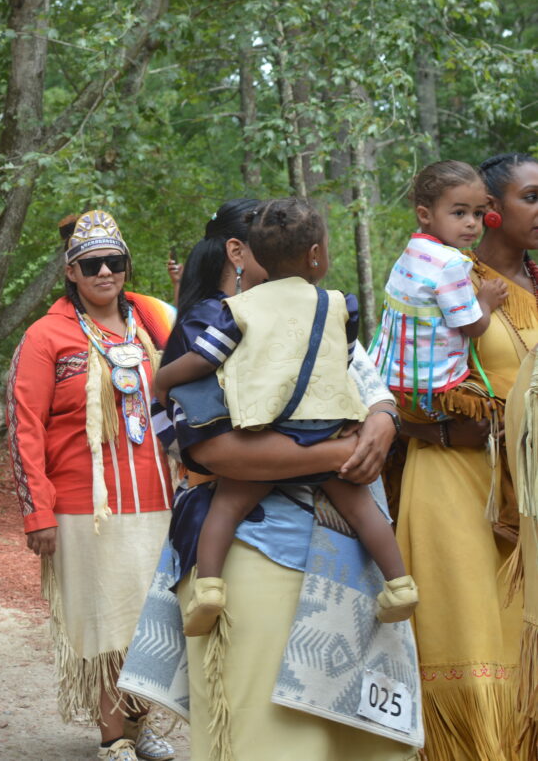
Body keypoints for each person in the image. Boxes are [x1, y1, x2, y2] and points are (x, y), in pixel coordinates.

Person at [119, 199, 417, 761]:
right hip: (255, 550)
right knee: (267, 730)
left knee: (348, 734)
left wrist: (382, 419)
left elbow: (371, 385)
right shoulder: (204, 331)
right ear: (239, 253)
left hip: (343, 558)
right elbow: (215, 454)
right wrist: (340, 449)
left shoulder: (319, 318)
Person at [152, 197, 416, 635]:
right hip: (328, 430)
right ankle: (401, 584)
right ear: (315, 254)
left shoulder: (237, 314)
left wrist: (163, 380)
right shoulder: (336, 305)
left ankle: (209, 589)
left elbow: (202, 361)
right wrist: (343, 444)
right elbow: (347, 364)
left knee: (228, 506)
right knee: (364, 510)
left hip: (268, 428)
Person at [7, 209, 177, 761]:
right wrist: (39, 510)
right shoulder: (46, 335)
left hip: (157, 496)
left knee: (148, 617)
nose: (106, 272)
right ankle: (113, 735)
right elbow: (24, 426)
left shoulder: (151, 322)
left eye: (115, 261)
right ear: (72, 272)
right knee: (106, 619)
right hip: (86, 505)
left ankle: (139, 718)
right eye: (92, 264)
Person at [395, 151, 538, 760]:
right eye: (531, 196)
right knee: (475, 647)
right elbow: (400, 383)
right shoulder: (442, 275)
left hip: (528, 500)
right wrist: (448, 431)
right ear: (492, 212)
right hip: (460, 486)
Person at [369, 160, 509, 415]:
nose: (472, 223)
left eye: (478, 213)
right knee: (500, 411)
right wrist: (487, 301)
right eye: (459, 213)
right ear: (425, 215)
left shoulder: (414, 249)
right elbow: (473, 326)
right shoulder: (451, 263)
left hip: (390, 378)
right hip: (431, 390)